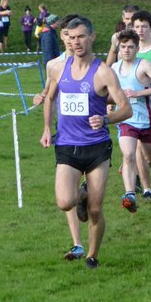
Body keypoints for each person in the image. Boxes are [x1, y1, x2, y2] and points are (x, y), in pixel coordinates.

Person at [40, 17, 131, 269]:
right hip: (67, 145)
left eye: (80, 37)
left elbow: (126, 109)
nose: (75, 42)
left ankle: (92, 255)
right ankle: (79, 194)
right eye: (70, 37)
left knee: (95, 209)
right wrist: (47, 128)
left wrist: (106, 118)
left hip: (97, 148)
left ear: (92, 37)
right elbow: (49, 97)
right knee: (64, 202)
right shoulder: (57, 68)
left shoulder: (104, 72)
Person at [112, 29, 151, 210]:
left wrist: (138, 93)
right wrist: (109, 105)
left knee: (150, 156)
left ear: (137, 48)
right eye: (123, 47)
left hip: (147, 121)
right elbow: (109, 92)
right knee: (128, 155)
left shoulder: (144, 65)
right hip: (126, 120)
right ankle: (129, 194)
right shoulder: (114, 68)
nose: (126, 50)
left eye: (130, 47)